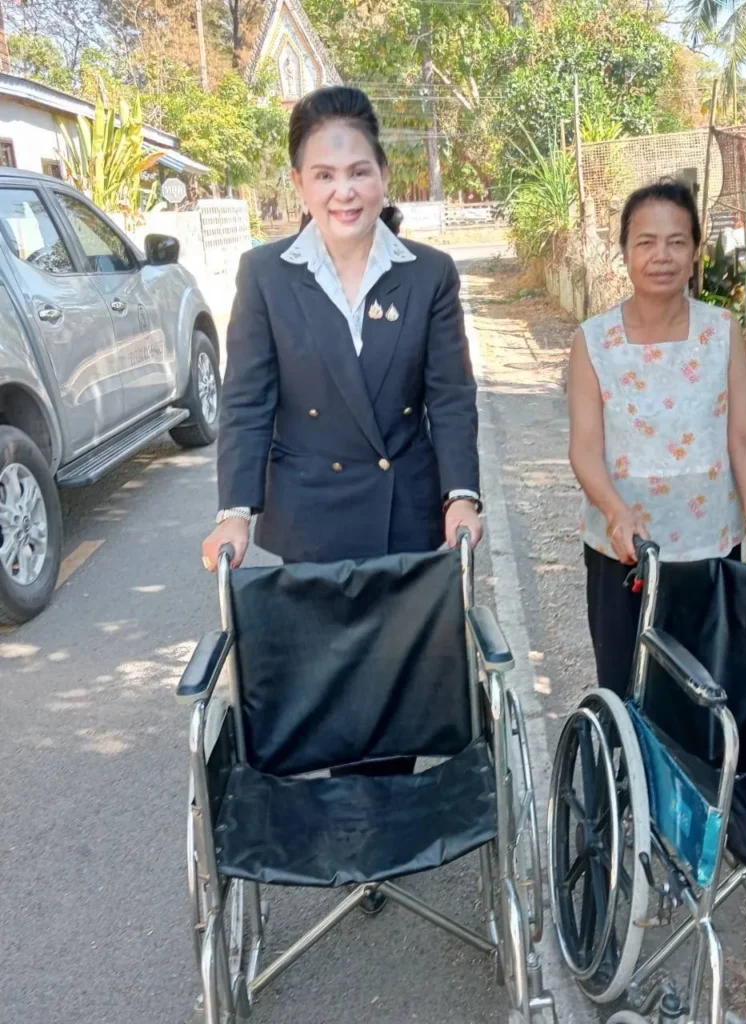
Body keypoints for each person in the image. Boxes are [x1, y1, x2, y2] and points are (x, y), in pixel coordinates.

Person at [200, 88, 483, 912]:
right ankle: (351, 827)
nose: (343, 190)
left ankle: (382, 831)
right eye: (324, 175)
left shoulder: (428, 273)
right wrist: (234, 512)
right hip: (312, 513)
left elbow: (450, 397)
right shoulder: (266, 274)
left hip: (405, 508)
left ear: (383, 174)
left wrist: (461, 496)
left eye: (358, 170)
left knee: (397, 682)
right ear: (298, 184)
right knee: (332, 684)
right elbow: (247, 401)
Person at [567, 179, 746, 697]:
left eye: (677, 242)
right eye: (646, 242)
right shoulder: (594, 341)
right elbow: (585, 449)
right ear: (625, 251)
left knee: (708, 691)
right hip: (624, 551)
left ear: (696, 250)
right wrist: (616, 513)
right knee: (628, 691)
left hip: (710, 545)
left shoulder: (721, 331)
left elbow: (743, 436)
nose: (662, 256)